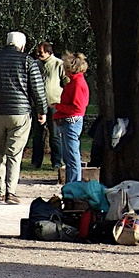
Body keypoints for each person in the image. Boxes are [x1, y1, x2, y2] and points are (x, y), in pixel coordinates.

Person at [0, 31, 47, 205]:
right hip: (20, 113)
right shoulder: (28, 61)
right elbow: (37, 88)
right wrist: (41, 111)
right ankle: (10, 192)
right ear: (22, 45)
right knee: (14, 153)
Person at [54, 52, 90, 185]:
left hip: (71, 121)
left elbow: (77, 108)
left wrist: (58, 107)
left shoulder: (77, 84)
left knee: (72, 155)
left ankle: (74, 184)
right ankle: (71, 183)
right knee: (68, 156)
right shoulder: (75, 82)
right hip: (68, 120)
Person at [32, 41, 64, 175]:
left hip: (54, 104)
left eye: (41, 52)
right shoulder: (35, 64)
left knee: (55, 134)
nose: (39, 54)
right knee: (37, 135)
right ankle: (36, 161)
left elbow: (66, 82)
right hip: (38, 104)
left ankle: (56, 161)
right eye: (38, 52)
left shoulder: (58, 64)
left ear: (49, 52)